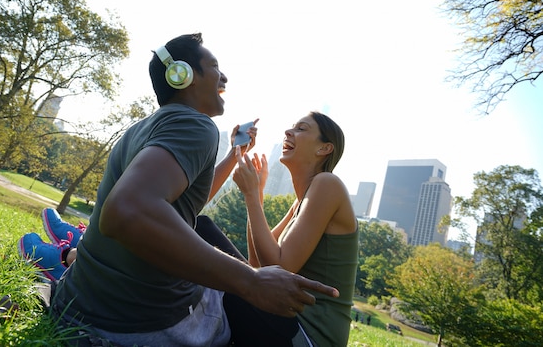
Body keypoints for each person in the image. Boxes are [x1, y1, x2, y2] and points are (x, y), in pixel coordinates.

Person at [46, 33, 338, 346]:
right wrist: (251, 281)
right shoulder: (197, 126)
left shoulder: (146, 128)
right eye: (214, 67)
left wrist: (233, 155)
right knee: (265, 318)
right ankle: (67, 250)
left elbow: (185, 203)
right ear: (182, 75)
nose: (224, 76)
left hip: (77, 307)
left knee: (204, 227)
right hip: (137, 328)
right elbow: (127, 209)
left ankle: (67, 252)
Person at [230, 111, 359, 346]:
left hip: (310, 335)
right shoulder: (300, 203)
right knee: (210, 242)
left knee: (221, 274)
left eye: (301, 129)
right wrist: (257, 193)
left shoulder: (327, 183)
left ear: (324, 149)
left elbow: (279, 265)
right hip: (288, 322)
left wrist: (251, 195)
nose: (288, 132)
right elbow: (258, 265)